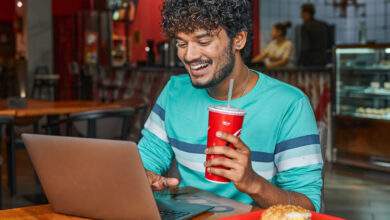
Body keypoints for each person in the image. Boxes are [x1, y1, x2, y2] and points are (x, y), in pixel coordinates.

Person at [138, 0, 323, 212]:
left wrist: (254, 183)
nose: (189, 55)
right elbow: (145, 160)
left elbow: (309, 208)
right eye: (182, 43)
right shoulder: (174, 92)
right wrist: (146, 176)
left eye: (204, 41)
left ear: (238, 39)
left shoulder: (289, 104)